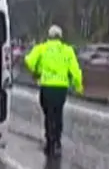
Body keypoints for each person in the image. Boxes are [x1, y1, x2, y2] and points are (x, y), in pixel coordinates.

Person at [23, 25, 83, 157]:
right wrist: (78, 86)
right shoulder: (68, 51)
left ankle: (50, 141)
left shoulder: (42, 48)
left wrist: (37, 70)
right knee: (58, 113)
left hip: (47, 87)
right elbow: (75, 70)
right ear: (60, 37)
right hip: (61, 88)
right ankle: (57, 141)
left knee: (48, 114)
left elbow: (29, 60)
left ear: (49, 36)